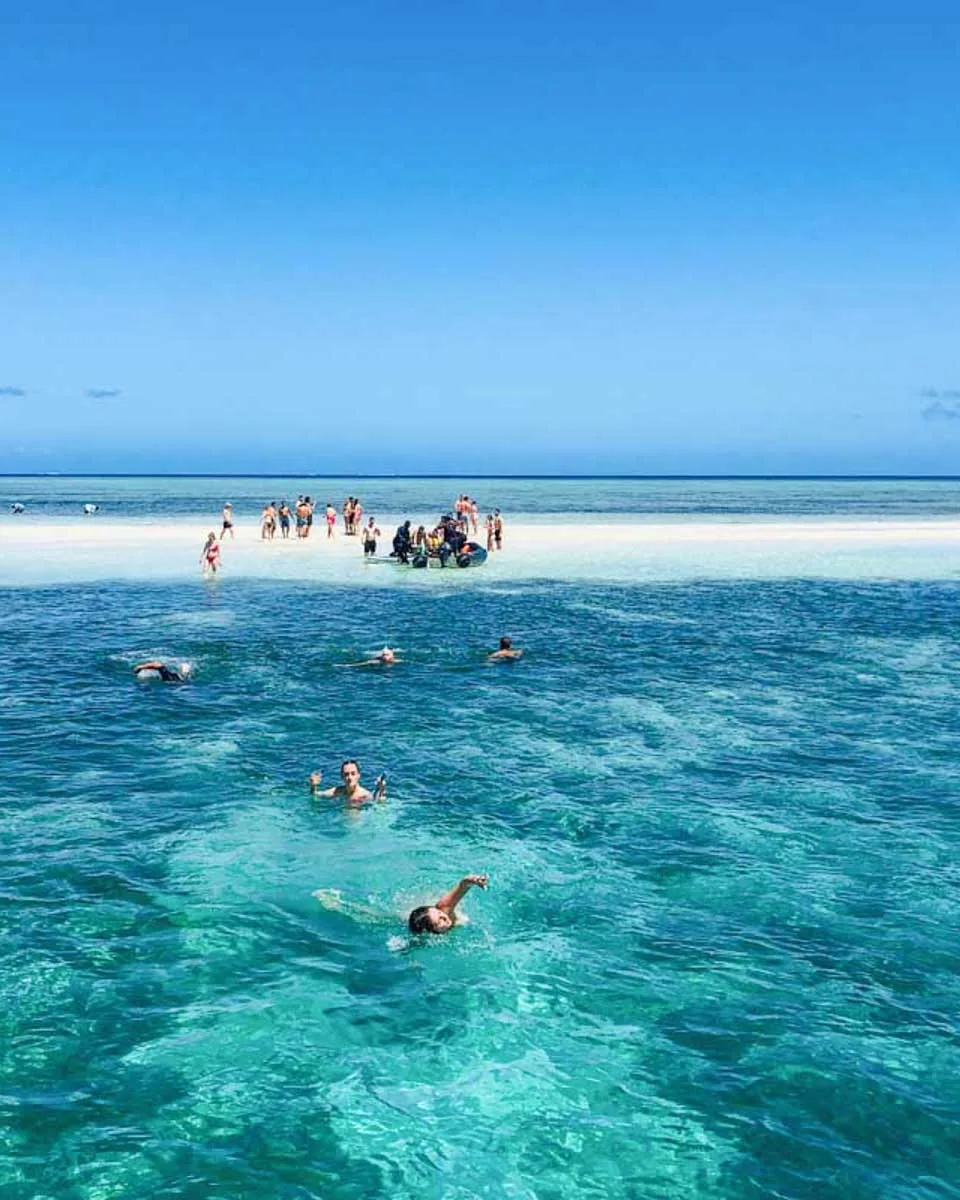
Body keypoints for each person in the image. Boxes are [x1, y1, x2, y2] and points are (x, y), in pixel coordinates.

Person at [408, 875, 489, 935]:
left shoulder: (444, 908)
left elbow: (464, 883)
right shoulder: (427, 937)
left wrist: (476, 880)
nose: (444, 917)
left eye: (439, 913)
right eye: (439, 922)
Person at [309, 760, 387, 803]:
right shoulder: (337, 792)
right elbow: (315, 795)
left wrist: (381, 789)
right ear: (341, 776)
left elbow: (378, 800)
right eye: (346, 774)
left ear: (358, 775)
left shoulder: (364, 795)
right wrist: (313, 786)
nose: (349, 777)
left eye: (353, 774)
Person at [337, 647, 401, 667]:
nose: (385, 657)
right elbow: (365, 663)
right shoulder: (377, 661)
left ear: (392, 656)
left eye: (387, 655)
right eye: (384, 655)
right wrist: (347, 665)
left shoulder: (396, 660)